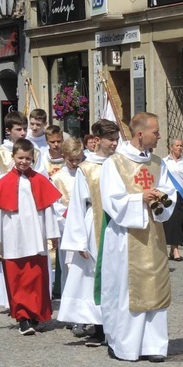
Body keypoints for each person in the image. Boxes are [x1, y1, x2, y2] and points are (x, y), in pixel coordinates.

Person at [98, 112, 176, 362]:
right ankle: (125, 344)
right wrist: (138, 198)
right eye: (156, 132)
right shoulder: (115, 163)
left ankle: (153, 345)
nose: (159, 136)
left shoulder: (157, 162)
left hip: (153, 232)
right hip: (125, 236)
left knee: (155, 285)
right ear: (140, 134)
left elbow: (168, 190)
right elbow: (111, 200)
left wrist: (161, 198)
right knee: (125, 290)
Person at [57, 120, 120, 347]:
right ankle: (99, 327)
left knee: (117, 275)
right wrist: (78, 241)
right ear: (97, 140)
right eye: (110, 139)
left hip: (119, 224)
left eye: (116, 139)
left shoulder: (121, 163)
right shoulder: (87, 167)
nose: (114, 143)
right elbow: (76, 205)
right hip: (94, 222)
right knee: (95, 276)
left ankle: (117, 324)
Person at [0, 139, 61, 335]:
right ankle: (22, 317)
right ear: (13, 157)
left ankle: (34, 315)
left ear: (33, 158)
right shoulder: (2, 182)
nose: (24, 161)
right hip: (12, 236)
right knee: (17, 279)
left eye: (28, 158)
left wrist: (52, 234)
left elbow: (48, 209)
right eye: (20, 157)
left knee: (35, 278)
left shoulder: (40, 180)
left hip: (35, 235)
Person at [50, 137, 84, 298]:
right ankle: (69, 307)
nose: (75, 163)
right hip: (68, 227)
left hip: (86, 224)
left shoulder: (85, 173)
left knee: (85, 268)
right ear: (64, 156)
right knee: (68, 266)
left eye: (78, 159)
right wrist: (69, 214)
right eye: (71, 160)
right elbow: (54, 205)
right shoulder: (57, 178)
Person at [163, 139, 183, 261]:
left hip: (182, 196)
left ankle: (173, 249)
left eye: (181, 145)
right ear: (171, 147)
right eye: (177, 145)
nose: (180, 148)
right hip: (169, 196)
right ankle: (176, 250)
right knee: (172, 222)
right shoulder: (164, 162)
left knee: (179, 221)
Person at [0, 111, 46, 176]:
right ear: (8, 131)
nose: (23, 133)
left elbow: (41, 177)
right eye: (19, 129)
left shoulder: (35, 152)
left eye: (25, 129)